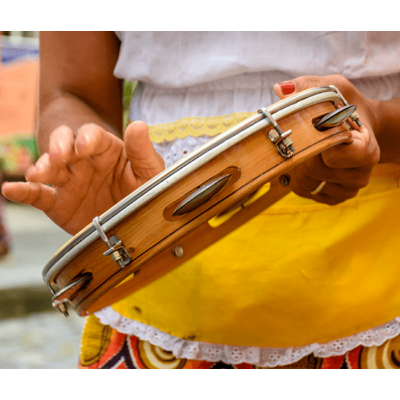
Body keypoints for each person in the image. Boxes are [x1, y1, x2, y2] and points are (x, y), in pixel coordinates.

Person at [3, 32, 400, 369]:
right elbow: (71, 91)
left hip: (378, 299)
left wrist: (379, 121)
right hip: (154, 293)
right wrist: (79, 148)